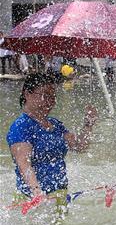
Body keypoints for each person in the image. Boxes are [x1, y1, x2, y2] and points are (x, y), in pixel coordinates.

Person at [6, 72, 97, 210]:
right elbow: (24, 164)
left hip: (59, 195)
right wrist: (37, 193)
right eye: (45, 95)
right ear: (27, 94)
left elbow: (80, 146)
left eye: (53, 96)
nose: (50, 101)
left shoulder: (56, 125)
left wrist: (88, 124)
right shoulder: (20, 127)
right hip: (32, 200)